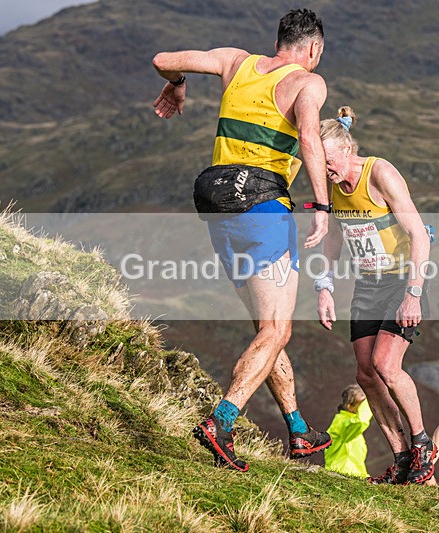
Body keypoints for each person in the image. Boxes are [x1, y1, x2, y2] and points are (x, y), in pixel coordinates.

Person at [152, 8, 332, 472]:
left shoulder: (236, 61)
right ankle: (222, 420)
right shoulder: (308, 83)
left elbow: (163, 58)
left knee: (265, 331)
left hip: (214, 199)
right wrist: (324, 208)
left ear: (279, 40)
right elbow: (309, 137)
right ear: (312, 48)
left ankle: (297, 432)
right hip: (263, 205)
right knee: (277, 330)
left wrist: (176, 83)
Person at [316, 107, 436, 485]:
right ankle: (401, 458)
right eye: (319, 163)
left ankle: (422, 444)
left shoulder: (380, 173)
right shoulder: (331, 185)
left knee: (386, 364)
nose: (326, 170)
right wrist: (325, 287)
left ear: (348, 151)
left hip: (403, 280)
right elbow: (334, 239)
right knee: (365, 374)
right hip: (368, 282)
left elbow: (419, 235)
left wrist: (413, 295)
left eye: (330, 162)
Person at [324, 384, 373, 478]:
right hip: (341, 473)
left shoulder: (351, 426)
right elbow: (361, 421)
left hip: (356, 475)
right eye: (363, 402)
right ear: (349, 407)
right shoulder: (341, 423)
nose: (366, 405)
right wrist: (371, 399)